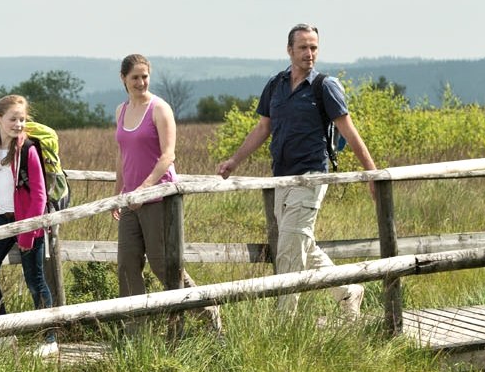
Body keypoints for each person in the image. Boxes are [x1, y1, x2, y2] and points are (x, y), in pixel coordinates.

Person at [216, 24, 378, 318]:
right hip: (282, 177)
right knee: (301, 243)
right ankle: (347, 290)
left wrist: (371, 175)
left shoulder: (324, 86)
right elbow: (263, 128)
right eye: (303, 47)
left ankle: (284, 324)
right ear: (289, 50)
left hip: (311, 177)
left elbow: (349, 131)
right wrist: (234, 161)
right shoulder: (276, 85)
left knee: (289, 249)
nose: (309, 53)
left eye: (314, 47)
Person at [113, 54, 221, 336]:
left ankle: (207, 310)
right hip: (129, 202)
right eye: (135, 77)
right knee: (126, 264)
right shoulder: (121, 111)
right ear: (123, 78)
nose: (140, 82)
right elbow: (122, 156)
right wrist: (118, 195)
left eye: (145, 76)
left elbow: (168, 156)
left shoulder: (159, 109)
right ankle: (135, 332)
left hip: (159, 198)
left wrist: (144, 189)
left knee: (163, 265)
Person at [0, 94, 58, 355]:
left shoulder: (29, 150)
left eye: (22, 119)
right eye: (13, 119)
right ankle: (3, 332)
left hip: (27, 221)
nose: (18, 124)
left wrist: (28, 231)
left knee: (34, 280)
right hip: (0, 220)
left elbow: (39, 194)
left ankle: (50, 340)